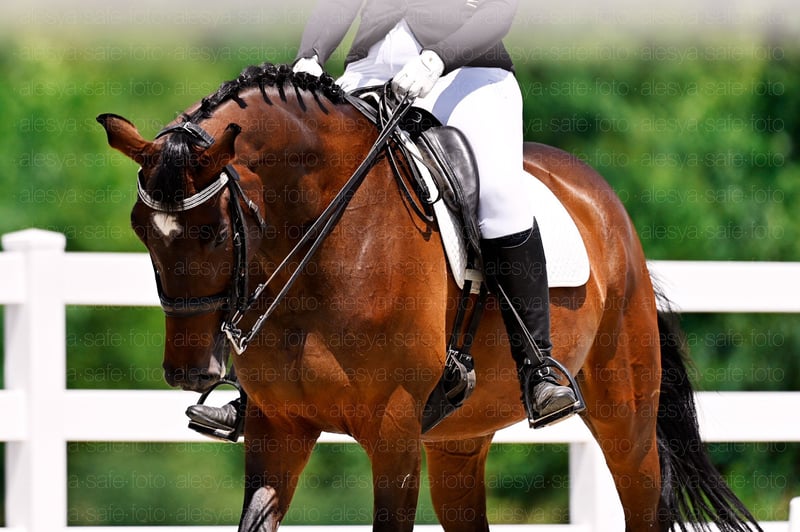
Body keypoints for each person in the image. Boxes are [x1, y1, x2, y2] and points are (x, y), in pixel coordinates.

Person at [187, 0, 582, 436]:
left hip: (467, 74)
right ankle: (253, 387)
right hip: (370, 74)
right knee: (293, 186)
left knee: (497, 198)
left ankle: (537, 368)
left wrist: (437, 58)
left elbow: (500, 12)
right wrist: (311, 56)